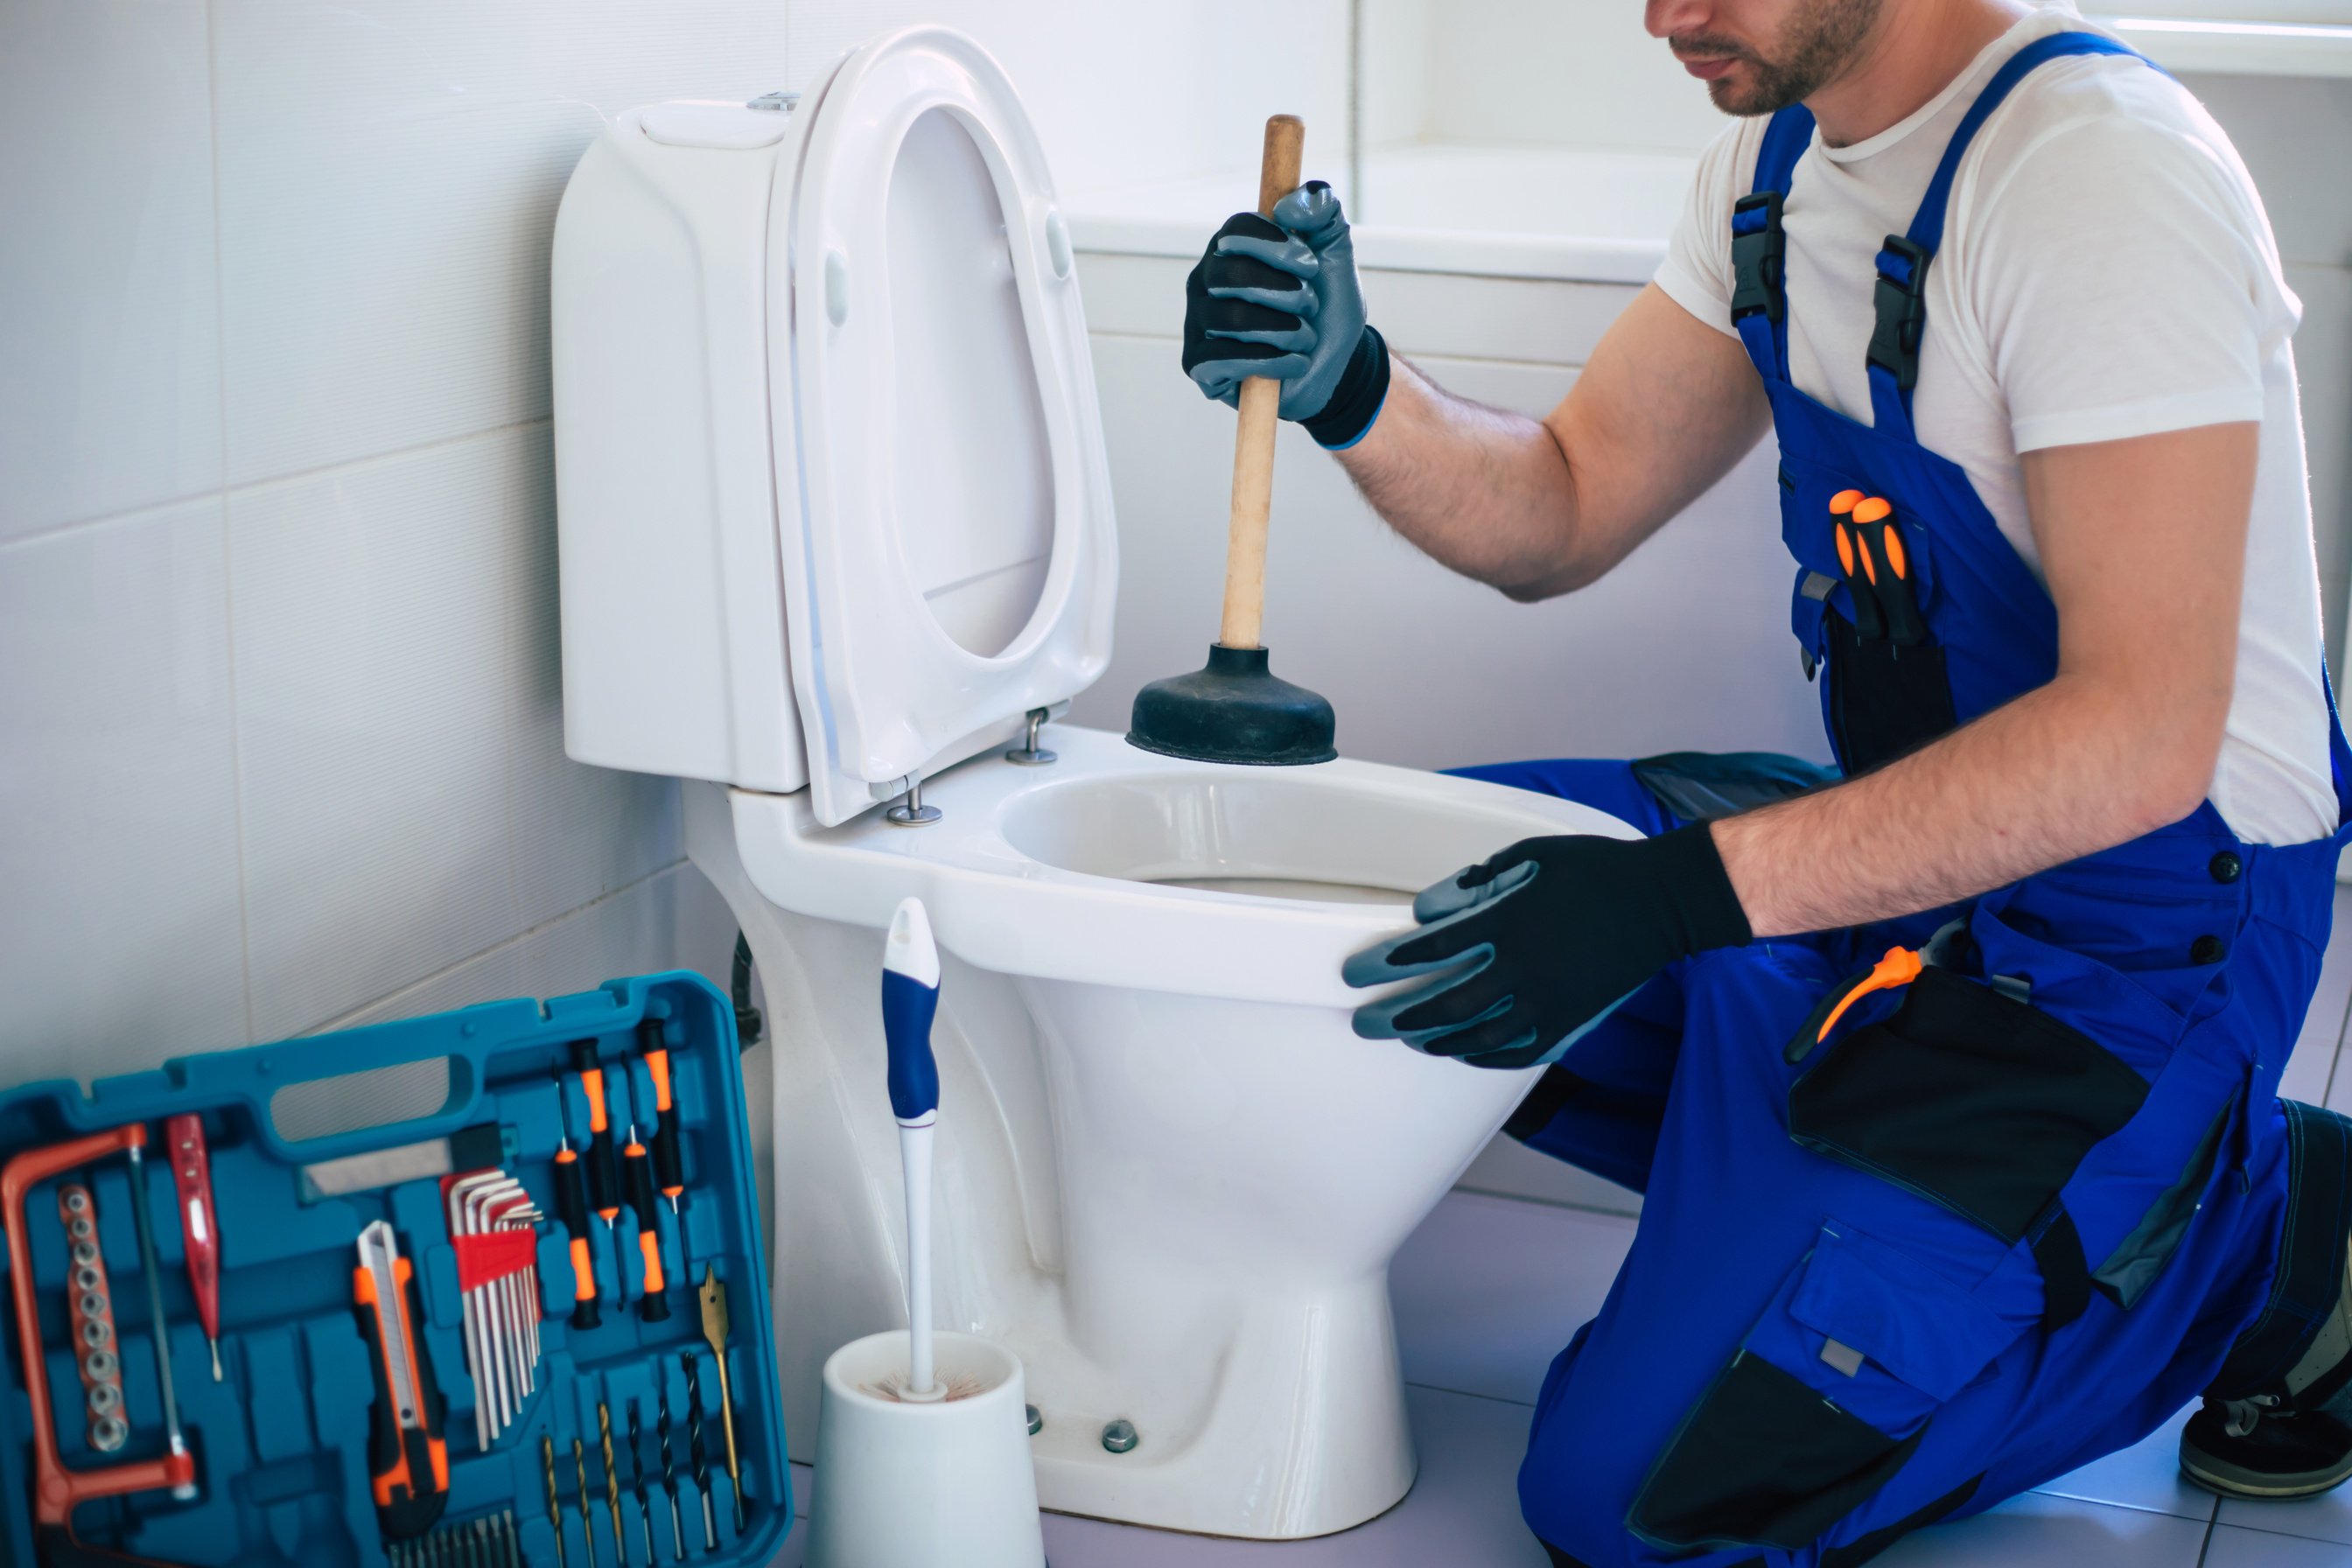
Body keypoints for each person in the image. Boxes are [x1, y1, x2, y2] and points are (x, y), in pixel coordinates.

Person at [1180, 0, 2352, 1563]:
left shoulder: (2096, 182)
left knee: (1632, 1509)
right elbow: (1568, 501)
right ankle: (1839, 1164)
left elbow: (2143, 739)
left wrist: (1675, 902)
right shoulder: (1779, 155)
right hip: (1924, 866)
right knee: (1398, 929)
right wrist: (1352, 383)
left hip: (2138, 943)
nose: (1664, 13)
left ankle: (2265, 1245)